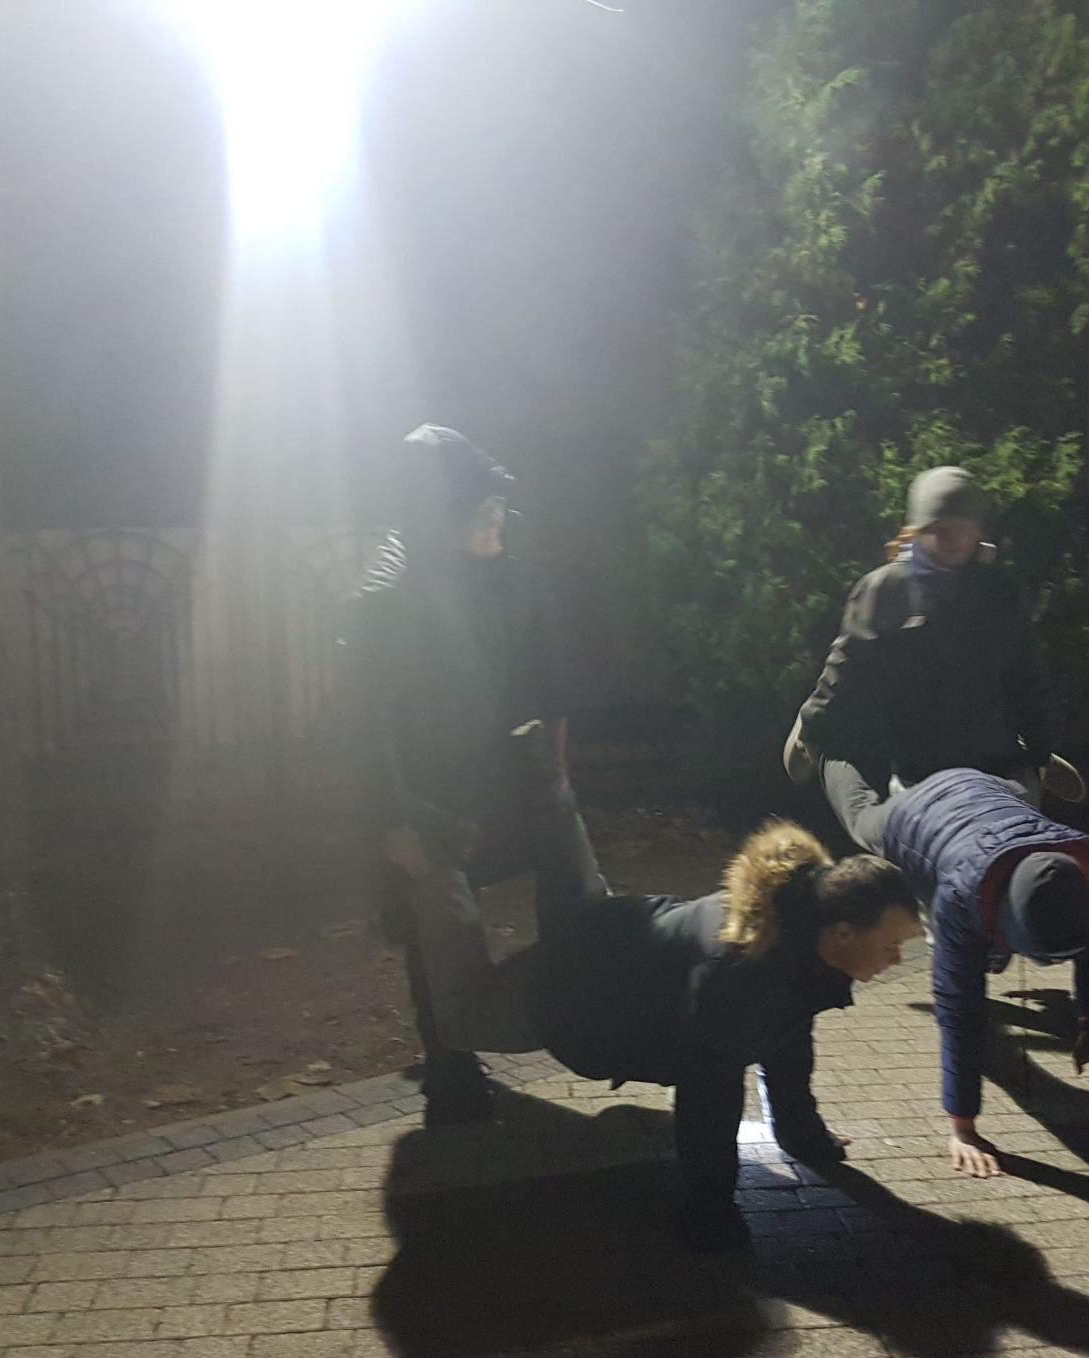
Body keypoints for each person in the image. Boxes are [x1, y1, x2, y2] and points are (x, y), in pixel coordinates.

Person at [431, 783, 922, 1252]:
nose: (898, 959)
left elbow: (786, 1037)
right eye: (891, 945)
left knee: (573, 898)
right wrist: (711, 1214)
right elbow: (709, 1100)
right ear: (843, 934)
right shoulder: (739, 976)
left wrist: (802, 1136)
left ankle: (547, 782)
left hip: (611, 934)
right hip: (565, 995)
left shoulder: (802, 916)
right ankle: (435, 867)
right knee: (455, 1019)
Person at [340, 423, 581, 1124]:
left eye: (497, 511)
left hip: (495, 771)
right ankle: (450, 1063)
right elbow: (365, 723)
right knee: (439, 921)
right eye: (480, 515)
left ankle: (581, 1003)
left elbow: (542, 666)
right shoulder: (384, 598)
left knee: (564, 880)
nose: (496, 525)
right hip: (424, 792)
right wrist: (393, 821)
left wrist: (554, 761)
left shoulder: (503, 564)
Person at [839, 764, 1089, 1179]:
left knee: (991, 951)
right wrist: (963, 1128)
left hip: (992, 792)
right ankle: (824, 750)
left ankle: (1035, 765)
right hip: (916, 816)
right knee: (859, 817)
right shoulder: (960, 896)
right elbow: (959, 1011)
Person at [783, 465, 1082, 853]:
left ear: (977, 530)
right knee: (918, 851)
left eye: (962, 528)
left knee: (1004, 843)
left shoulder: (998, 591)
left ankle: (1037, 767)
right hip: (918, 767)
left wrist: (1040, 745)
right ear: (918, 531)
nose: (952, 539)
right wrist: (814, 724)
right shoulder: (886, 589)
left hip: (994, 759)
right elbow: (847, 668)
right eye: (939, 529)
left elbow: (1026, 675)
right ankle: (810, 739)